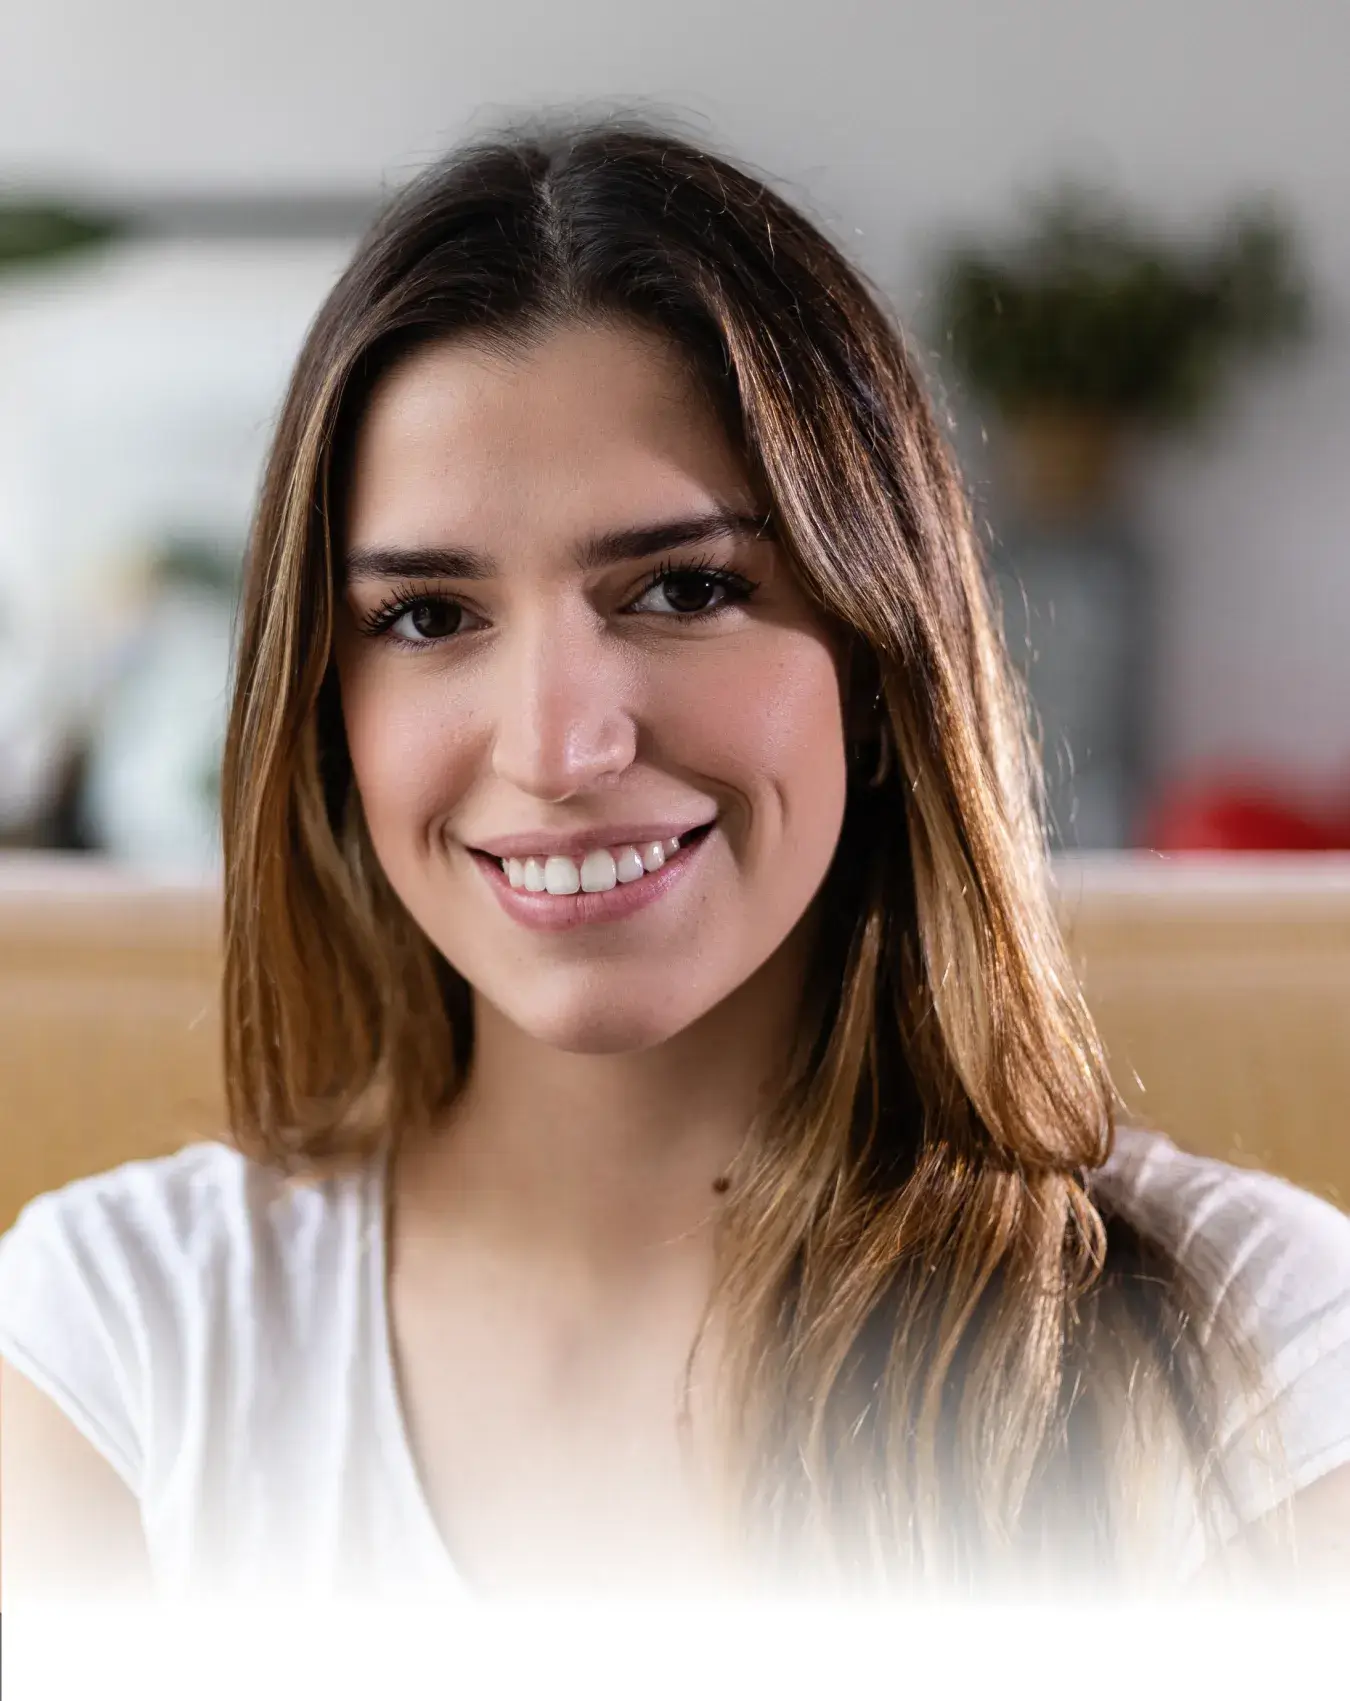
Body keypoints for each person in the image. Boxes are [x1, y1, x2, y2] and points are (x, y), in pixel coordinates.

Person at [2, 115, 1348, 1604]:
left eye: (683, 587)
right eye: (430, 617)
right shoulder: (118, 1351)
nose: (556, 746)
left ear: (876, 653)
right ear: (324, 712)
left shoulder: (1263, 1355)